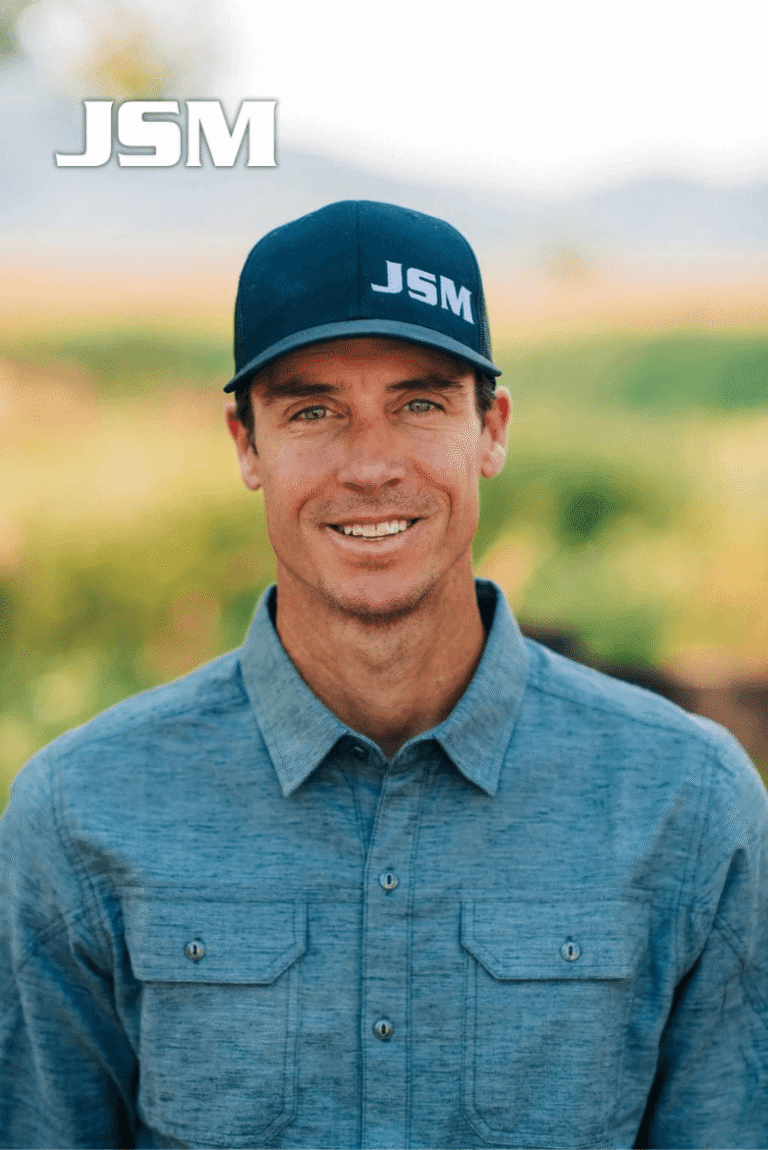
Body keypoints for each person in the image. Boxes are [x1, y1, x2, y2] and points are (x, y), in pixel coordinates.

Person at [1, 200, 766, 1150]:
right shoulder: (82, 816)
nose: (370, 465)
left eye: (419, 403)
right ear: (246, 444)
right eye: (314, 410)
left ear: (491, 428)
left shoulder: (687, 803)